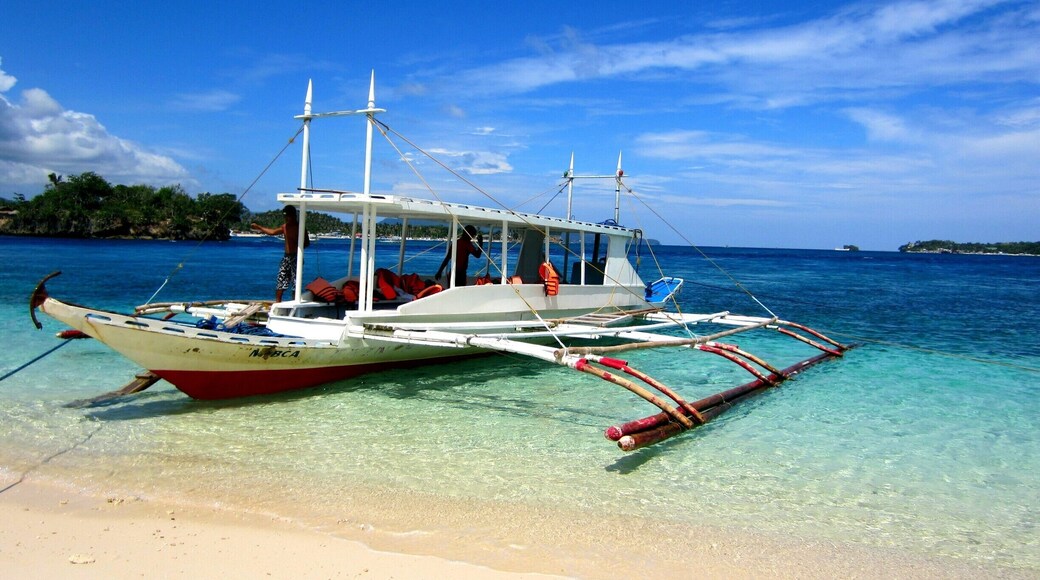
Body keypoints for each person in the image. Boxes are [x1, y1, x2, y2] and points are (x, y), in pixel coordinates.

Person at [251, 205, 308, 302]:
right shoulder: (285, 227)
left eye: (288, 216)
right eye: (285, 216)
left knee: (296, 282)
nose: (286, 218)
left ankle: (294, 302)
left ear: (293, 216)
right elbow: (272, 232)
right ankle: (277, 302)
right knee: (281, 280)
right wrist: (259, 227)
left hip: (296, 257)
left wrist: (296, 244)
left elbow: (307, 243)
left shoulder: (300, 228)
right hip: (286, 257)